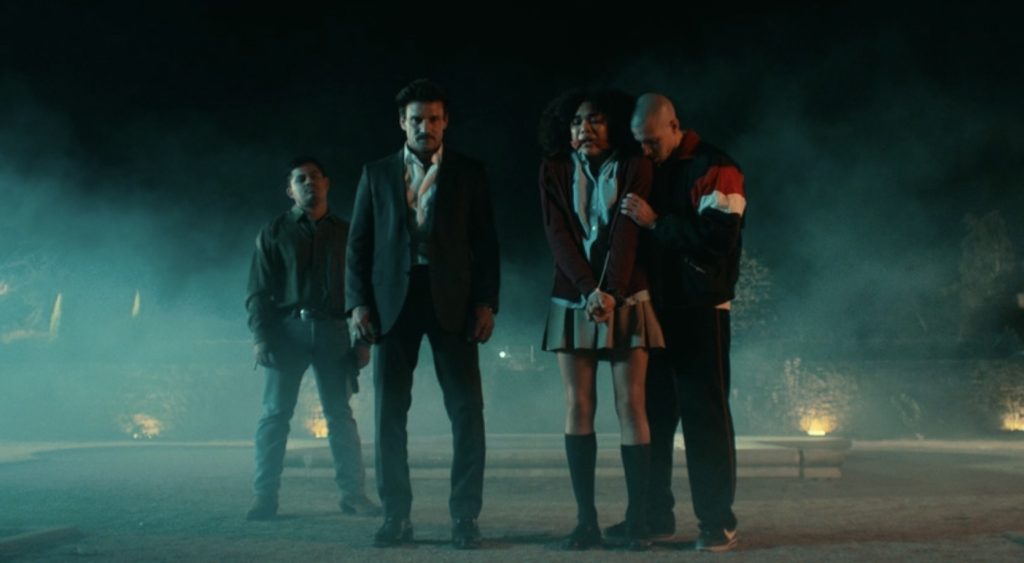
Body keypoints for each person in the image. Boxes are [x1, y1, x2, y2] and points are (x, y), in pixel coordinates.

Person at [346, 79, 500, 550]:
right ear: (402, 122)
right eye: (416, 119)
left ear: (445, 121)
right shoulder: (376, 173)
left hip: (454, 301)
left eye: (433, 119)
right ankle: (396, 516)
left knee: (467, 411)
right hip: (392, 302)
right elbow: (358, 246)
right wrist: (357, 304)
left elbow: (486, 245)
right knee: (389, 414)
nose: (425, 127)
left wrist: (486, 302)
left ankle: (465, 517)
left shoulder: (469, 172)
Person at [616, 92, 746, 552]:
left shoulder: (717, 167)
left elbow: (718, 241)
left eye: (652, 141)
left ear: (675, 127)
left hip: (701, 307)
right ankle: (656, 517)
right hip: (659, 307)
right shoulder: (661, 165)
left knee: (703, 416)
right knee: (654, 414)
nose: (645, 150)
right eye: (639, 142)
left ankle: (717, 522)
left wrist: (656, 222)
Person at [537, 88, 662, 551]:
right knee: (578, 405)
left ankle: (638, 522)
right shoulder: (553, 169)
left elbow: (628, 233)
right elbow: (556, 235)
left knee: (631, 405)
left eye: (595, 120)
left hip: (626, 295)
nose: (584, 129)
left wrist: (610, 291)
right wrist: (589, 289)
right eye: (575, 122)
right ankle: (585, 521)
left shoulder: (635, 166)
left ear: (615, 126)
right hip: (573, 297)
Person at [245, 157, 380, 521]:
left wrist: (363, 340)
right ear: (290, 190)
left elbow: (364, 289)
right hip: (286, 330)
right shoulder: (274, 232)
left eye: (315, 176)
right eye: (301, 179)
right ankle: (264, 497)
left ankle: (353, 495)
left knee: (340, 416)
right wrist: (261, 337)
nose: (309, 183)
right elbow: (258, 290)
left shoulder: (347, 232)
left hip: (334, 329)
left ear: (327, 183)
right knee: (275, 414)